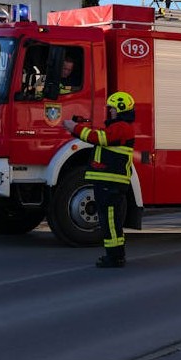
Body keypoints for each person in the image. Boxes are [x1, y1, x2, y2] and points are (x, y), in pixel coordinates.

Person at [63, 91, 136, 268]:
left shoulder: (122, 127)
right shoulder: (119, 127)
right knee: (110, 220)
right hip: (108, 183)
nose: (110, 111)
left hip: (110, 184)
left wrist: (75, 128)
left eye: (112, 108)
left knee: (110, 221)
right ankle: (116, 254)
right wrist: (77, 130)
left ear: (121, 108)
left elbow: (99, 138)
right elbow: (99, 138)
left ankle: (115, 257)